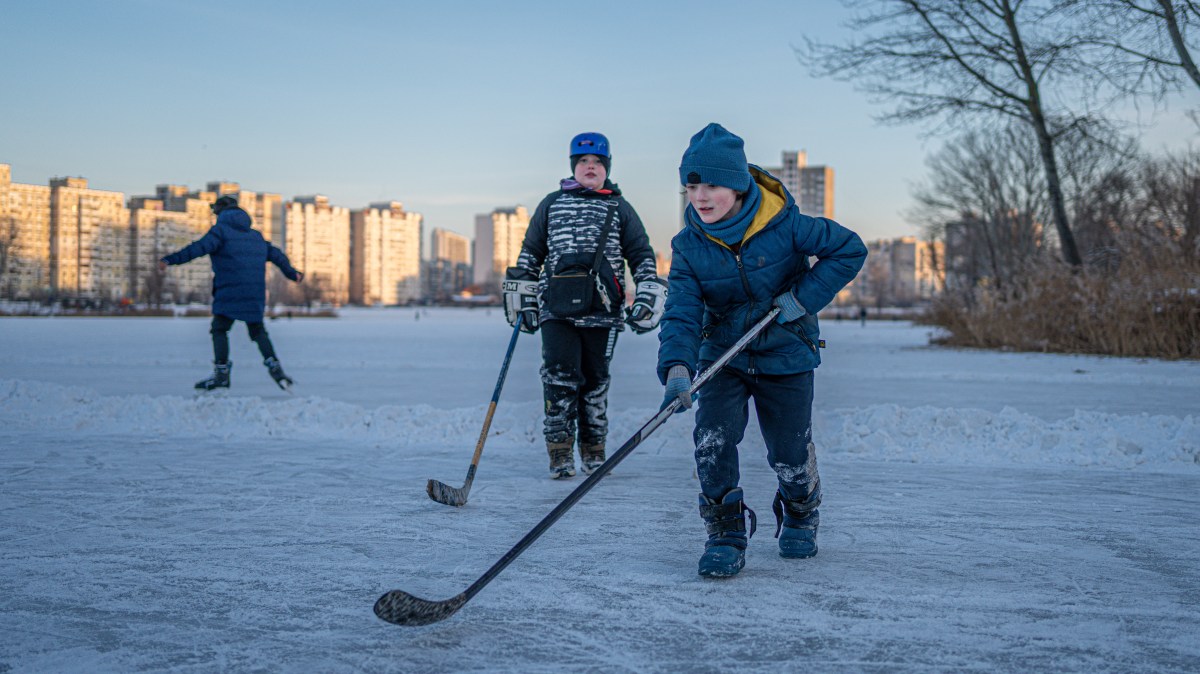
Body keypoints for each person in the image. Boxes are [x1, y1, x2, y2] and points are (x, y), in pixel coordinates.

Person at [657, 123, 866, 578]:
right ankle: (725, 533)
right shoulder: (689, 246)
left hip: (786, 354)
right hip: (723, 358)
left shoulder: (785, 224)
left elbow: (849, 250)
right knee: (711, 442)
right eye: (691, 185)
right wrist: (676, 366)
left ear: (736, 184)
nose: (700, 195)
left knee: (789, 452)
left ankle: (800, 511)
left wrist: (803, 299)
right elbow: (681, 312)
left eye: (711, 184)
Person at [504, 132, 664, 479]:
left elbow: (640, 253)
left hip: (603, 313)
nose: (590, 167)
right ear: (573, 167)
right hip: (556, 310)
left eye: (597, 163)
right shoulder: (551, 203)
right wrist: (523, 295)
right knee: (559, 380)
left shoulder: (619, 206)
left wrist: (648, 288)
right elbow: (531, 253)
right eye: (583, 162)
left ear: (606, 168)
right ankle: (560, 453)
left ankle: (594, 452)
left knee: (595, 382)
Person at [159, 195, 305, 392]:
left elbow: (198, 248)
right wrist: (292, 273)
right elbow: (277, 255)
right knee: (257, 331)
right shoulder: (256, 236)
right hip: (254, 293)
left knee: (219, 328)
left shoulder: (220, 232)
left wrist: (171, 260)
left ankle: (221, 374)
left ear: (220, 213)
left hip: (229, 292)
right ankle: (275, 368)